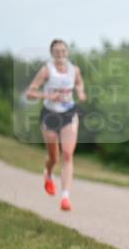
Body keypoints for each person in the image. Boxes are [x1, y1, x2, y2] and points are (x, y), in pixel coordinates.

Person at [25, 39, 86, 211]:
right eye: (57, 52)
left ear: (67, 53)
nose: (60, 55)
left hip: (69, 114)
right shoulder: (46, 70)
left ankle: (65, 197)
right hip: (50, 115)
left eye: (63, 51)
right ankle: (48, 173)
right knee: (54, 158)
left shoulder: (74, 70)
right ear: (52, 54)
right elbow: (30, 93)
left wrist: (80, 91)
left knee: (67, 155)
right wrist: (46, 96)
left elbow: (80, 83)